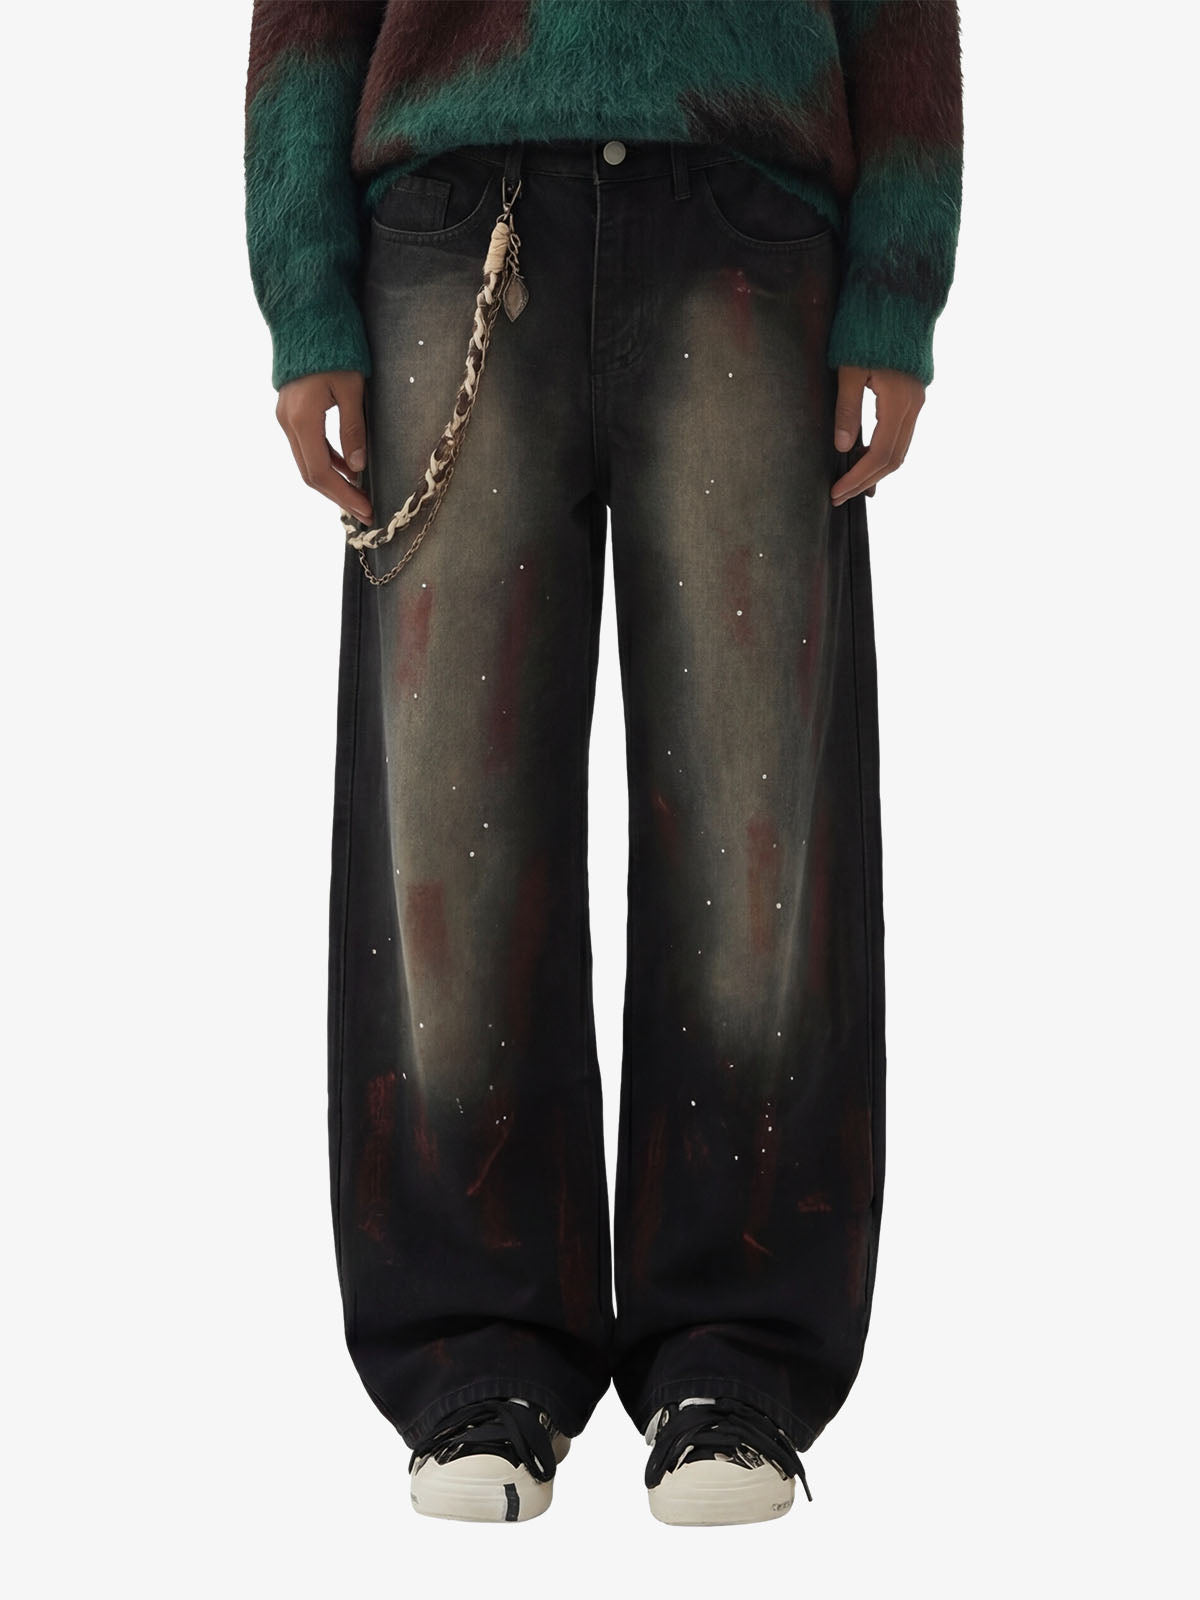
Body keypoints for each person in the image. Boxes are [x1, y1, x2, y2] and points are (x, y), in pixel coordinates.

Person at [243, 0, 962, 1526]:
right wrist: (305, 295)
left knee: (757, 825)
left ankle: (736, 1361)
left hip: (747, 212)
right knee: (447, 828)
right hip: (452, 217)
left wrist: (897, 282)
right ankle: (475, 1351)